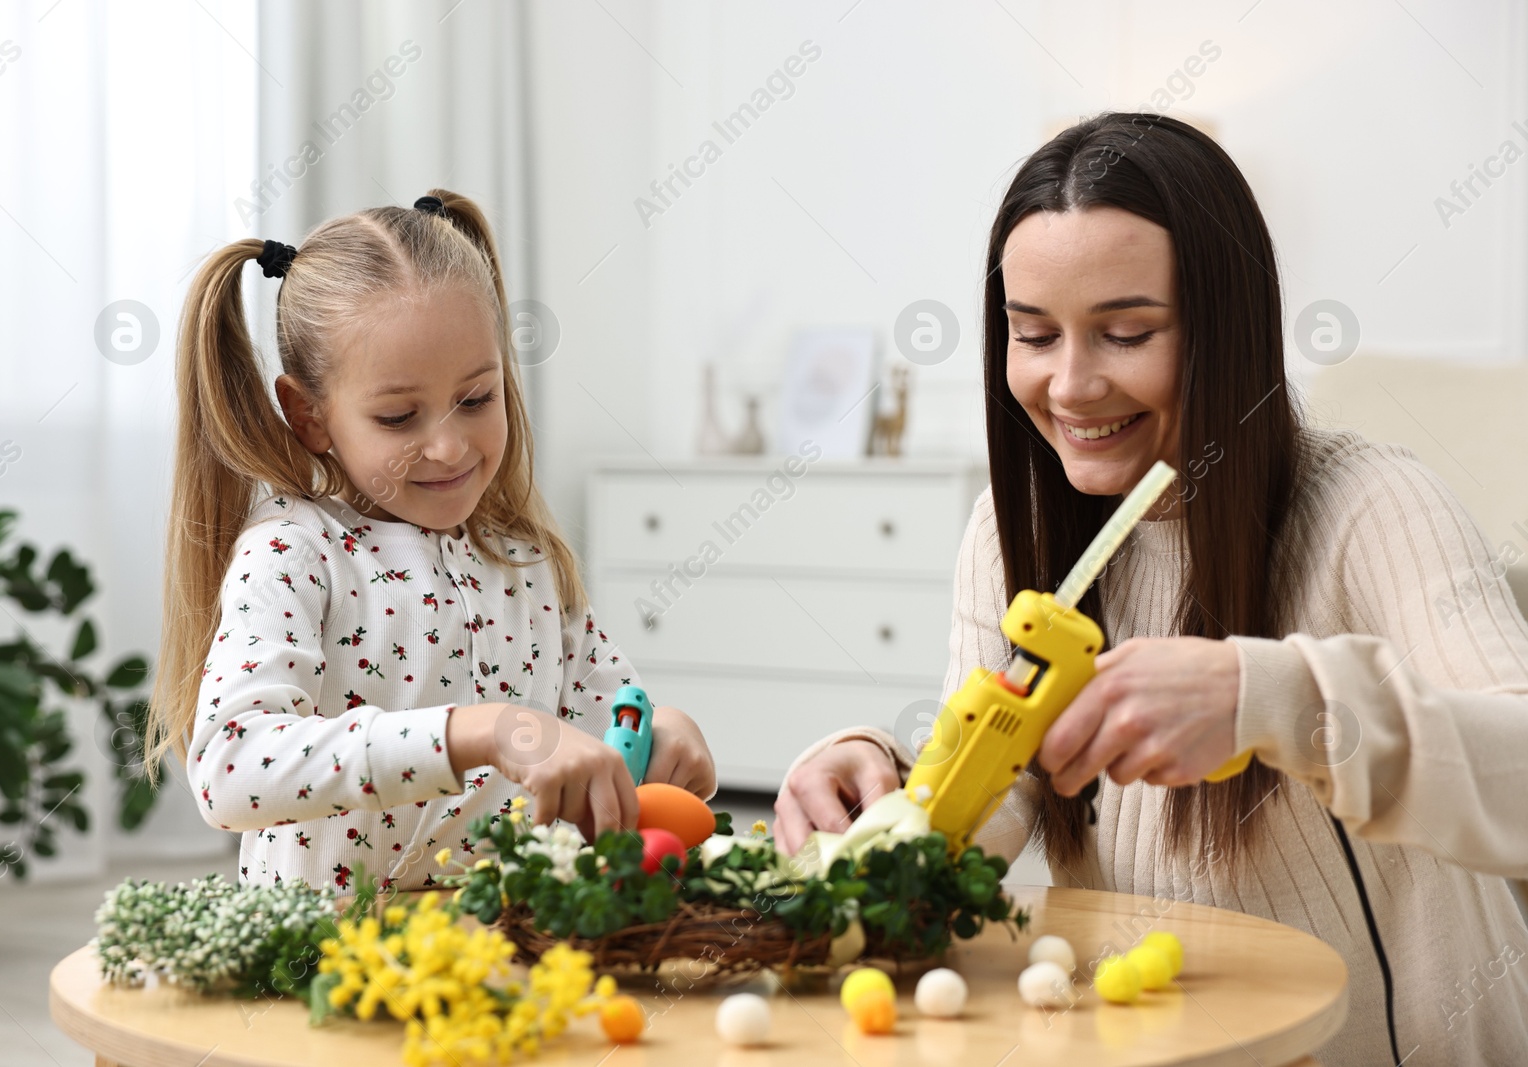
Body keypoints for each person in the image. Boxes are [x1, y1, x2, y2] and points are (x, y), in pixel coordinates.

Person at [775, 114, 1528, 1064]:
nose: (1072, 385)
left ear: (1228, 329)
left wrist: (1273, 698)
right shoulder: (1011, 533)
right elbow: (1000, 792)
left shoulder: (1375, 505)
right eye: (1034, 335)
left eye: (1126, 333)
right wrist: (882, 782)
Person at [145, 190, 714, 893]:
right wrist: (481, 729)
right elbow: (232, 771)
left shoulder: (525, 559)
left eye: (476, 398)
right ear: (309, 414)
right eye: (398, 416)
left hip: (503, 958)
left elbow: (606, 727)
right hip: (324, 971)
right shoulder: (295, 554)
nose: (448, 446)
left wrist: (664, 736)